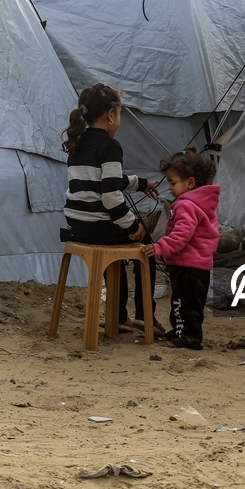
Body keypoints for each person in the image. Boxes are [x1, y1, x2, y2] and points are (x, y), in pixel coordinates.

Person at [62, 83, 163, 332]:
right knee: (147, 246)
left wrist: (141, 184)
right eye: (119, 114)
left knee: (115, 250)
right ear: (111, 115)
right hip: (98, 226)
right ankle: (143, 315)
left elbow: (107, 181)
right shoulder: (110, 146)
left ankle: (118, 317)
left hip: (77, 226)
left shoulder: (78, 142)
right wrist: (133, 226)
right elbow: (110, 196)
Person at [142, 148, 219, 350]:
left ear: (190, 183)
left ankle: (188, 337)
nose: (169, 188)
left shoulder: (186, 205)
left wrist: (160, 247)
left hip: (187, 264)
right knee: (190, 303)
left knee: (182, 303)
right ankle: (181, 332)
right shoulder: (202, 204)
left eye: (173, 183)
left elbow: (181, 236)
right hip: (199, 264)